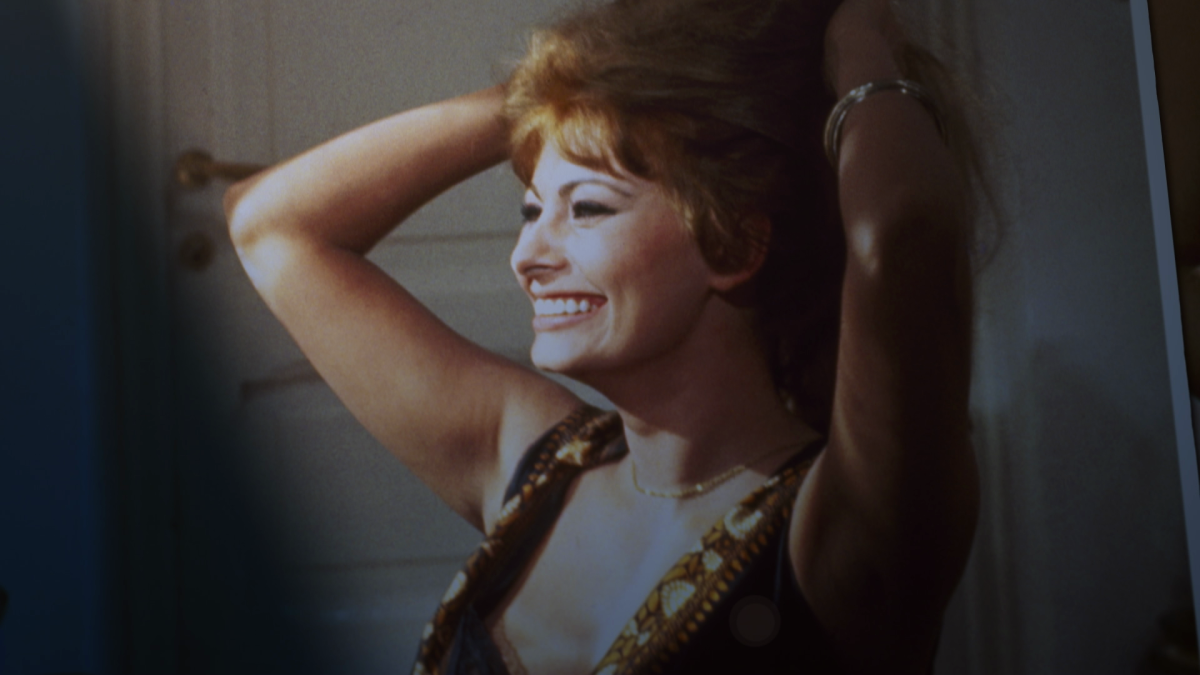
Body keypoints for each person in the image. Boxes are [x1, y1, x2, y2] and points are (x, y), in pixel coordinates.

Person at [223, 0, 979, 671]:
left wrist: (859, 31)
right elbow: (270, 226)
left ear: (731, 244)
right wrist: (581, 76)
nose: (527, 257)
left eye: (586, 209)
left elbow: (902, 233)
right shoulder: (535, 467)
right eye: (530, 212)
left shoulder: (841, 533)